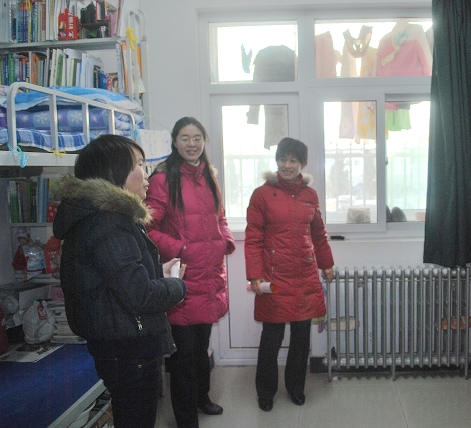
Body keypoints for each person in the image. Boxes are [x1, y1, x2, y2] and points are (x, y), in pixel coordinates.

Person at [52, 135, 187, 428]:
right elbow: (140, 295)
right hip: (128, 349)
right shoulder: (109, 223)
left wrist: (158, 273)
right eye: (139, 165)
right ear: (114, 172)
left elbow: (118, 279)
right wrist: (177, 285)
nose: (147, 175)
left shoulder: (104, 217)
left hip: (120, 342)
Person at [145, 117, 235, 428]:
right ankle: (185, 418)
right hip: (182, 279)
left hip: (209, 276)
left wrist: (225, 242)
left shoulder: (210, 176)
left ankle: (202, 399)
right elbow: (148, 229)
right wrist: (181, 248)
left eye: (197, 137)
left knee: (200, 348)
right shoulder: (162, 180)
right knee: (182, 355)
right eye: (185, 137)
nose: (192, 143)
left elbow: (220, 218)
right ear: (174, 142)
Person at [245, 137, 334, 412]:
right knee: (271, 338)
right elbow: (253, 238)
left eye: (293, 160)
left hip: (305, 276)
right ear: (276, 161)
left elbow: (318, 234)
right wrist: (255, 275)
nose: (287, 165)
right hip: (274, 278)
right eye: (283, 159)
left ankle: (296, 388)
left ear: (302, 164)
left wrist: (327, 264)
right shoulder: (261, 195)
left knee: (301, 338)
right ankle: (265, 392)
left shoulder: (311, 195)